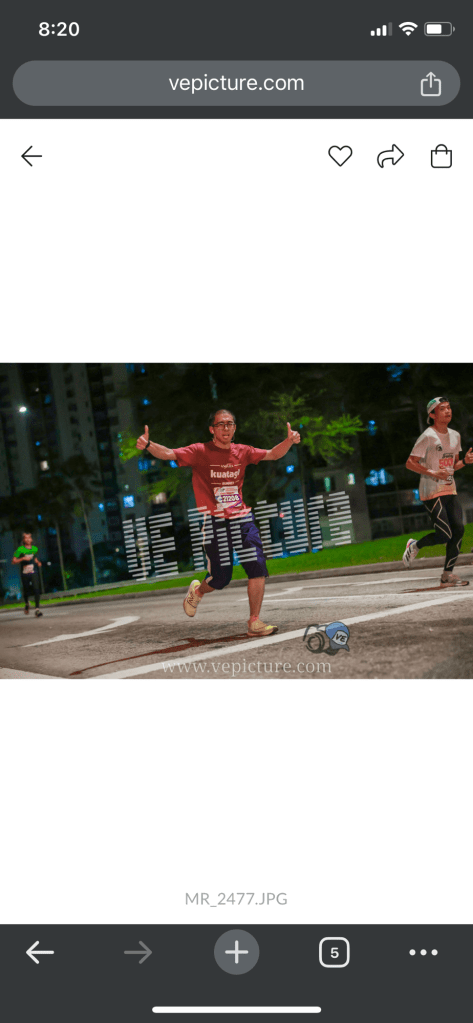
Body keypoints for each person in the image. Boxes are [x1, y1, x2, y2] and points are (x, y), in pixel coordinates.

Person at [136, 409, 301, 636]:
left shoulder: (242, 451)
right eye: (221, 424)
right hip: (214, 521)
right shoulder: (200, 451)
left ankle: (254, 621)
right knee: (221, 578)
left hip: (242, 518)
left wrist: (289, 441)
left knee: (257, 567)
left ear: (234, 428)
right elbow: (169, 454)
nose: (226, 428)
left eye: (230, 424)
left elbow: (272, 454)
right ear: (212, 429)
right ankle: (198, 591)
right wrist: (148, 445)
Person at [402, 398, 473, 586]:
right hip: (431, 491)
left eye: (449, 408)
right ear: (432, 414)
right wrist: (433, 473)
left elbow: (453, 465)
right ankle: (415, 545)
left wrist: (465, 462)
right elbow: (410, 463)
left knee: (458, 530)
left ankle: (447, 575)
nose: (448, 411)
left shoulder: (455, 436)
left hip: (449, 489)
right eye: (442, 409)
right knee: (444, 535)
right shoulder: (427, 436)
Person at [12, 532, 43, 615]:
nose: (28, 539)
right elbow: (14, 561)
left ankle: (37, 609)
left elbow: (35, 558)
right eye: (26, 538)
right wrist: (22, 559)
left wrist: (38, 562)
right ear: (23, 540)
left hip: (33, 571)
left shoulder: (35, 549)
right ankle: (27, 603)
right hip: (25, 573)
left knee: (36, 589)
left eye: (29, 537)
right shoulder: (20, 549)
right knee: (26, 591)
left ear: (31, 539)